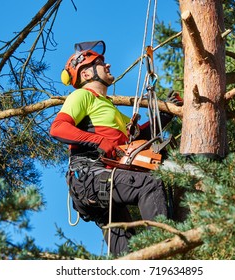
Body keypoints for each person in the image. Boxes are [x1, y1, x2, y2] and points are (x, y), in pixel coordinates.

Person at [50, 41, 181, 256]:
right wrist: (98, 141)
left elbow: (140, 136)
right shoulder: (83, 96)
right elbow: (58, 128)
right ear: (85, 75)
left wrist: (165, 114)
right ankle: (164, 250)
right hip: (89, 174)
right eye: (100, 63)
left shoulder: (110, 109)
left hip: (102, 181)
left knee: (127, 253)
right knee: (149, 185)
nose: (108, 65)